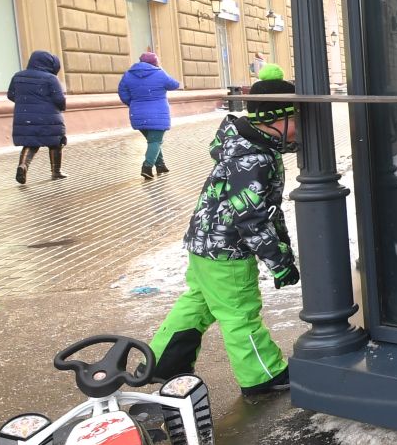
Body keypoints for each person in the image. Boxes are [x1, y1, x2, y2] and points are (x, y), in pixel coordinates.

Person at [148, 65, 299, 399]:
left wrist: (281, 250)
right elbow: (252, 219)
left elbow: (261, 212)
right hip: (228, 249)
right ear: (275, 120)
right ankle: (263, 374)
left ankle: (162, 363)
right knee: (239, 313)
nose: (299, 130)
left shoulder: (243, 145)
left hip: (204, 244)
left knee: (198, 303)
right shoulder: (256, 158)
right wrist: (279, 261)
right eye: (297, 121)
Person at [118, 51, 181, 180]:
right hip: (158, 114)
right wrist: (160, 69)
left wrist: (133, 104)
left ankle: (160, 165)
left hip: (137, 114)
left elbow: (122, 92)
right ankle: (147, 167)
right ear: (154, 62)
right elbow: (175, 85)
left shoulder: (128, 75)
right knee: (155, 141)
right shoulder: (159, 73)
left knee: (153, 141)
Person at [7, 49, 67, 185]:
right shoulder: (51, 78)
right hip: (49, 117)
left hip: (24, 116)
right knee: (56, 142)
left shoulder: (18, 76)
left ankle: (23, 166)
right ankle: (56, 171)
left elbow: (11, 95)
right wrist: (62, 107)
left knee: (30, 142)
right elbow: (59, 98)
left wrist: (25, 104)